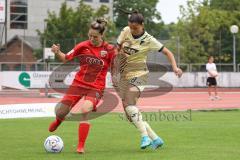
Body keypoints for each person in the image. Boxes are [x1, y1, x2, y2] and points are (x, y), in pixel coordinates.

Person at [114, 11, 182, 149]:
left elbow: (168, 52)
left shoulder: (149, 39)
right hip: (125, 75)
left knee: (129, 104)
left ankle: (144, 137)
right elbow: (117, 48)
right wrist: (118, 56)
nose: (133, 30)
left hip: (140, 74)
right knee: (130, 115)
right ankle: (155, 138)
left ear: (142, 25)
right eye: (131, 27)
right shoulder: (126, 31)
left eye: (136, 28)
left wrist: (175, 67)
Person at [49, 18, 116, 154]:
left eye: (95, 36)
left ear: (102, 35)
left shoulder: (109, 49)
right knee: (60, 112)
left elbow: (115, 68)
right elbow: (66, 58)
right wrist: (57, 52)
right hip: (78, 84)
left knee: (85, 110)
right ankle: (58, 121)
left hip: (96, 87)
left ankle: (80, 146)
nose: (91, 38)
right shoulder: (82, 46)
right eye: (90, 35)